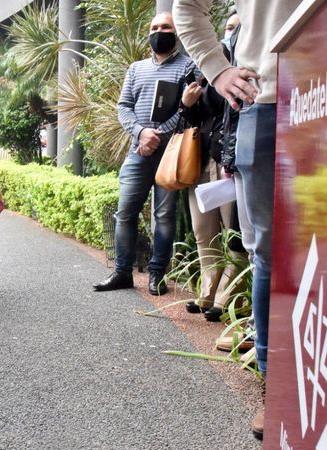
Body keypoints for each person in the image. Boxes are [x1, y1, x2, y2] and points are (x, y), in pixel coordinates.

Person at [173, 0, 303, 439]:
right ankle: (279, 388)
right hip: (269, 101)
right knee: (269, 251)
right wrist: (218, 68)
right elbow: (187, 6)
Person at [93, 12, 195, 296]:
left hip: (172, 153)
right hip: (137, 151)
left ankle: (157, 275)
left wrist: (158, 134)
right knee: (124, 213)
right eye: (155, 27)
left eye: (166, 27)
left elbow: (188, 111)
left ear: (176, 34)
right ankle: (122, 273)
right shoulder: (136, 69)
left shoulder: (189, 67)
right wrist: (141, 133)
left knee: (164, 216)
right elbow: (123, 106)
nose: (159, 31)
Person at [179, 14, 246, 321]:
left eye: (236, 27)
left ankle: (227, 297)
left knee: (234, 234)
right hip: (203, 159)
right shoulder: (209, 68)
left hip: (230, 162)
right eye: (228, 27)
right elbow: (193, 122)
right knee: (203, 231)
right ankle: (207, 291)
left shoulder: (246, 64)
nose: (230, 32)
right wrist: (187, 104)